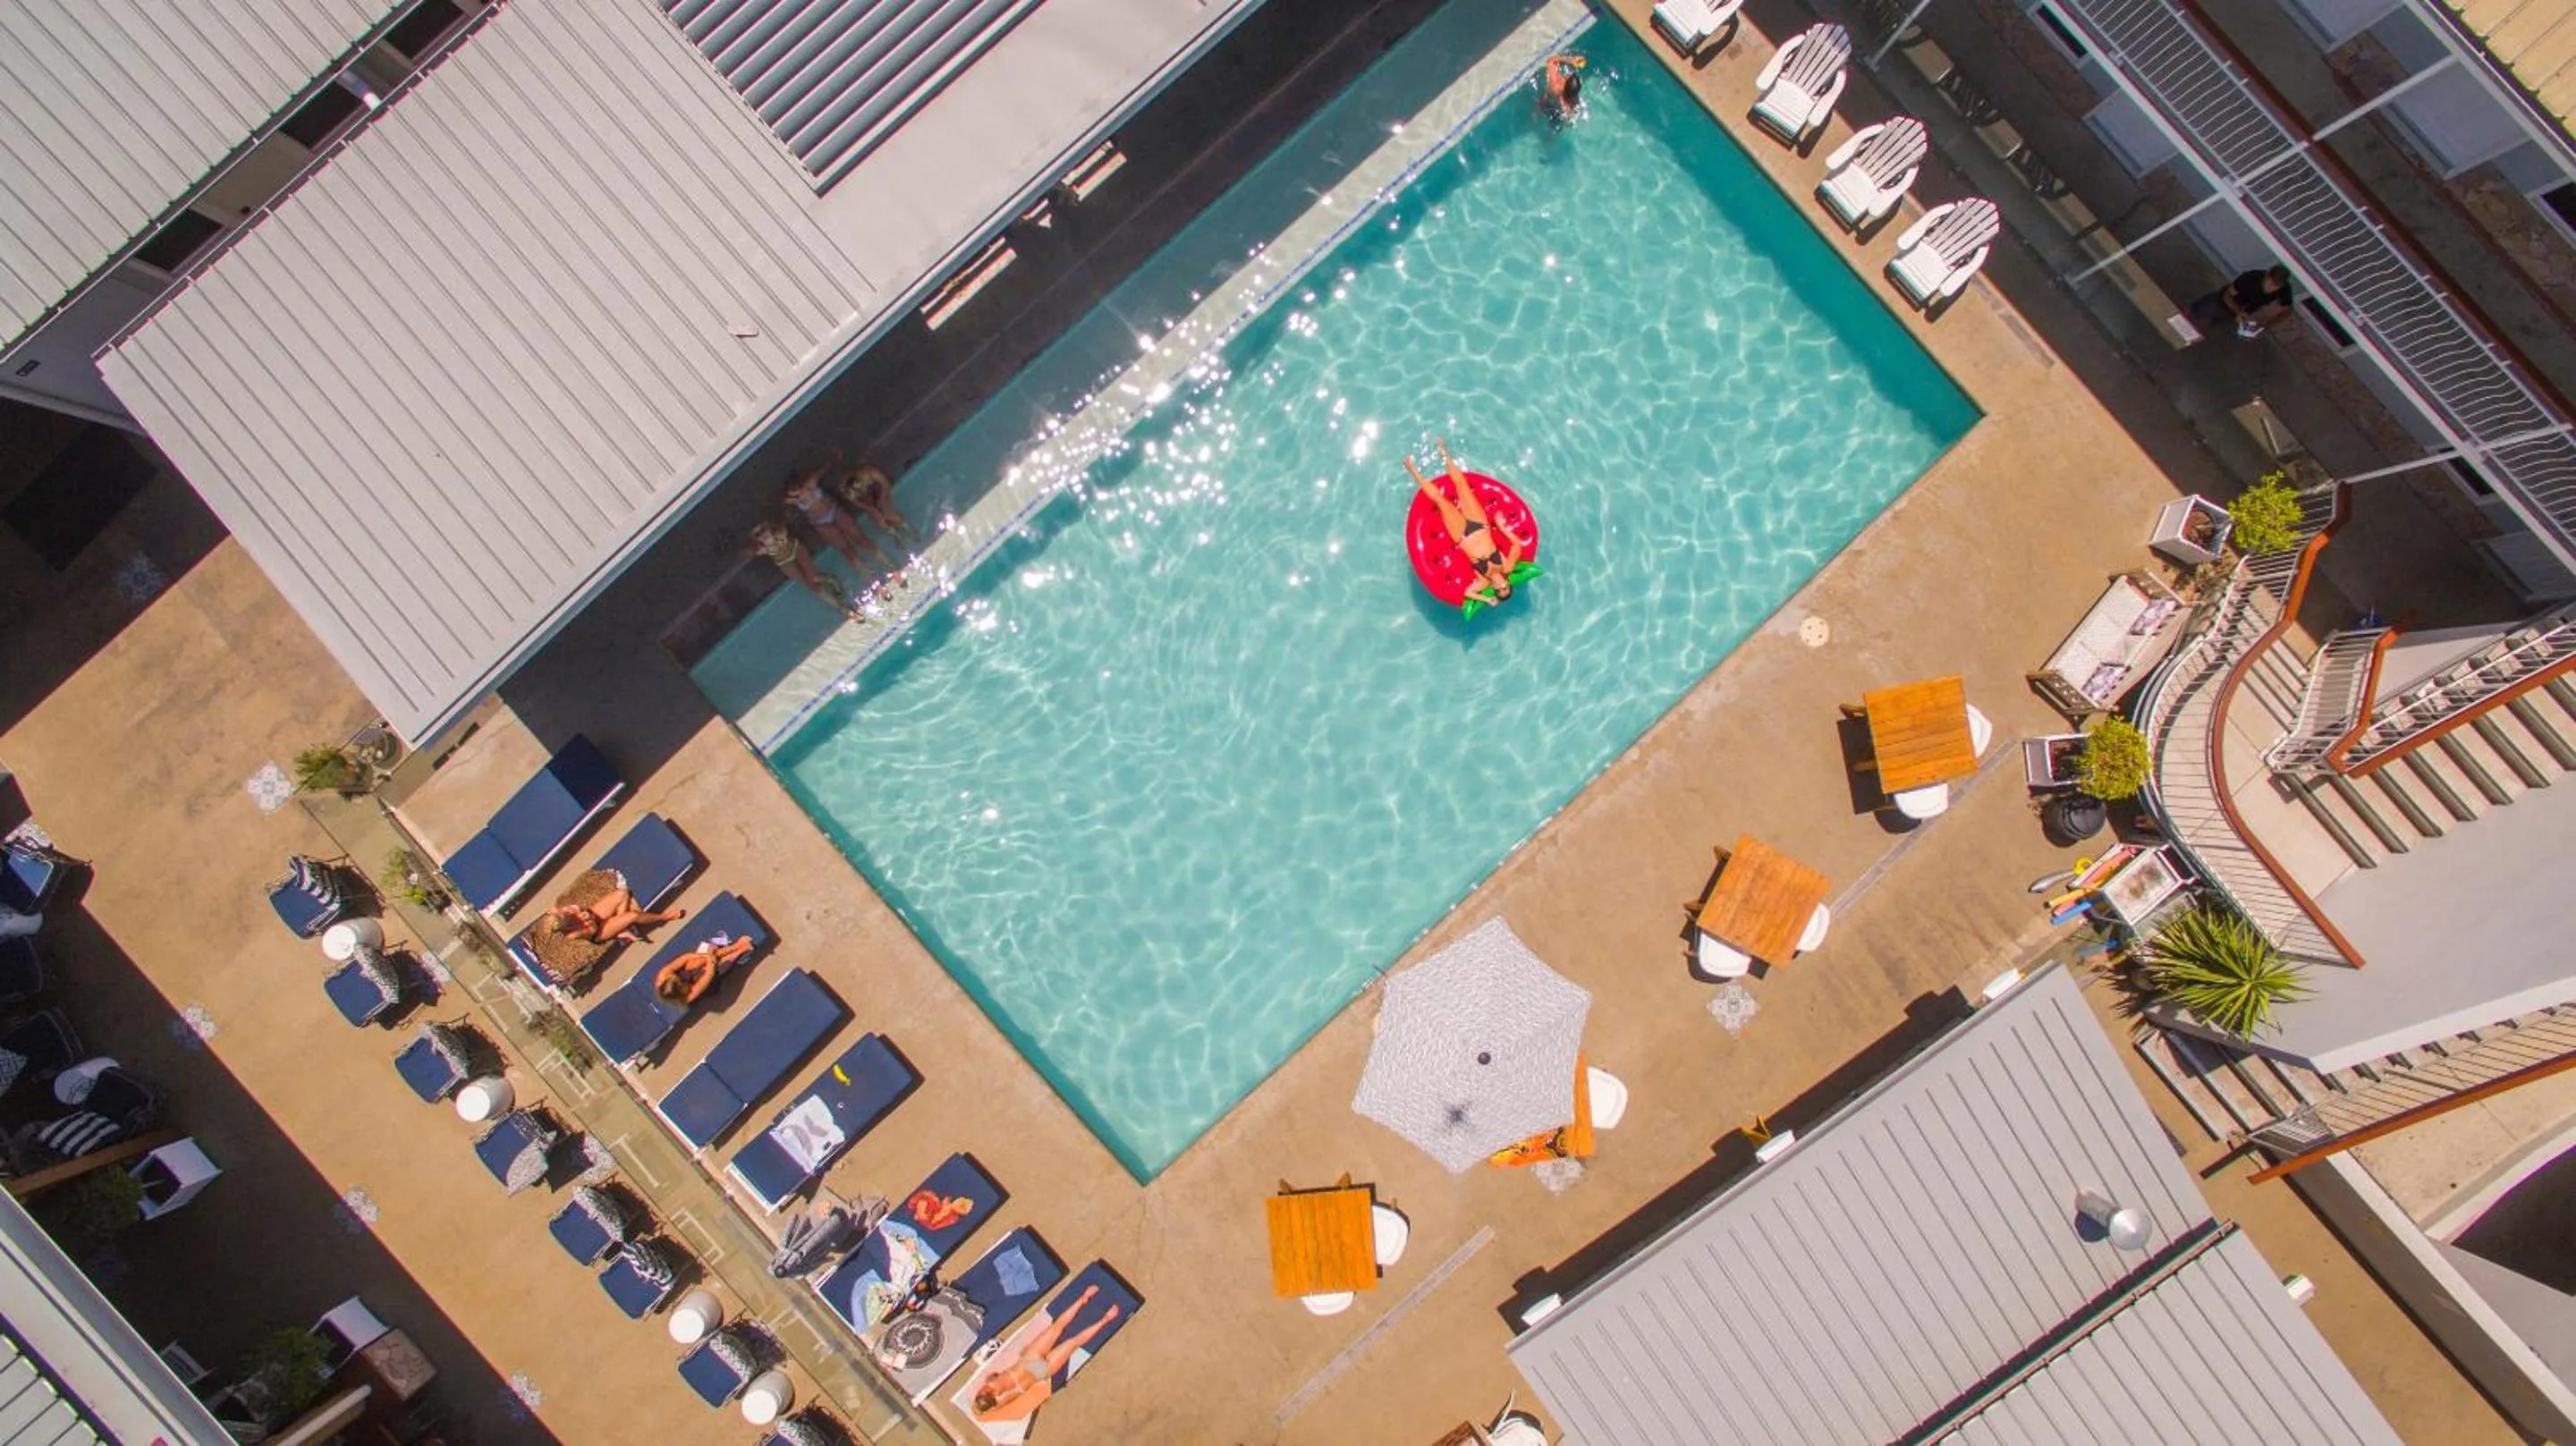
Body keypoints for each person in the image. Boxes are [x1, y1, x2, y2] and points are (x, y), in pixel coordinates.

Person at [968, 1285, 1123, 1423]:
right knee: (1071, 1341)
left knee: (1060, 1329)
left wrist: (979, 1409)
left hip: (1034, 1366)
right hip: (1036, 1368)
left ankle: (1085, 1300)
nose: (982, 1390)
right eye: (982, 1394)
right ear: (986, 1397)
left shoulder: (993, 1388)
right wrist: (980, 1409)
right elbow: (984, 1415)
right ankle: (1104, 1318)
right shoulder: (999, 1398)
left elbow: (983, 1414)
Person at [1406, 440, 1527, 608]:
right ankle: (1443, 451)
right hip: (1481, 525)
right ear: (1507, 583)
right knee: (1462, 485)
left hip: (1462, 536)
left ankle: (1412, 470)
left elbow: (1468, 593)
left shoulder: (1484, 582)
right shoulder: (1507, 567)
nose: (1501, 586)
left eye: (1499, 590)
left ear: (1494, 590)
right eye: (1505, 587)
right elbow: (1517, 545)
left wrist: (1486, 600)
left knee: (1441, 501)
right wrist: (1501, 527)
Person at [749, 520, 861, 618]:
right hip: (784, 561)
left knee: (813, 577)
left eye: (763, 530)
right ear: (757, 540)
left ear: (768, 528)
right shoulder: (761, 549)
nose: (762, 534)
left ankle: (831, 579)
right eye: (758, 534)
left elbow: (782, 528)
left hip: (795, 549)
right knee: (813, 587)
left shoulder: (780, 533)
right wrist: (757, 546)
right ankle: (842, 608)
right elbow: (750, 551)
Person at [786, 468, 888, 571]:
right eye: (793, 489)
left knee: (860, 538)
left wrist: (831, 461)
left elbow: (820, 471)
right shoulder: (793, 499)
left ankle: (886, 563)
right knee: (847, 549)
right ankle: (868, 573)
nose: (796, 490)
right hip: (821, 523)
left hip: (833, 511)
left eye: (797, 486)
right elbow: (786, 502)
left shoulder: (810, 483)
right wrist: (795, 499)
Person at [542, 884, 682, 947]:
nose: (565, 914)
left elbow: (576, 908)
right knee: (633, 916)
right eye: (565, 919)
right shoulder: (572, 935)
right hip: (599, 931)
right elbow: (593, 930)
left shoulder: (558, 911)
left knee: (622, 893)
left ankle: (621, 929)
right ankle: (664, 917)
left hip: (592, 915)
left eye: (564, 915)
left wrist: (581, 912)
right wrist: (588, 920)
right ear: (563, 927)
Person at [2187, 266, 2294, 342]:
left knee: (2210, 326)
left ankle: (2191, 338)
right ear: (2266, 276)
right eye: (2270, 283)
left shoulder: (2284, 290)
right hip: (2220, 302)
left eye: (2276, 287)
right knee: (2193, 313)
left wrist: (2266, 325)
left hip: (2238, 315)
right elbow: (2227, 295)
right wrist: (2239, 312)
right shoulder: (2250, 277)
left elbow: (2287, 309)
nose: (2271, 289)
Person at [652, 933, 754, 1006]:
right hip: (706, 985)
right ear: (682, 989)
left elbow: (685, 958)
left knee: (697, 961)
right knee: (717, 967)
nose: (681, 979)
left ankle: (736, 945)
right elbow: (708, 976)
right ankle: (741, 950)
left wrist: (705, 956)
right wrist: (711, 961)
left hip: (689, 970)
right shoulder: (687, 998)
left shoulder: (664, 975)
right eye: (681, 982)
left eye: (677, 978)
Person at [832, 458, 914, 544]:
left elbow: (886, 484)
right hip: (865, 496)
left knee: (888, 513)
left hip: (880, 488)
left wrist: (882, 498)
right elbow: (855, 502)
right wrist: (870, 508)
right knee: (879, 520)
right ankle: (896, 536)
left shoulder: (870, 472)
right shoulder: (846, 488)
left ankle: (907, 527)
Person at [1542, 54, 1584, 120]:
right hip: (1560, 108)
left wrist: (1571, 60)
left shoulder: (1556, 84)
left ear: (1567, 80)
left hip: (1548, 105)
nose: (1568, 74)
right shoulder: (1574, 97)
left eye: (1569, 76)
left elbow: (1551, 61)